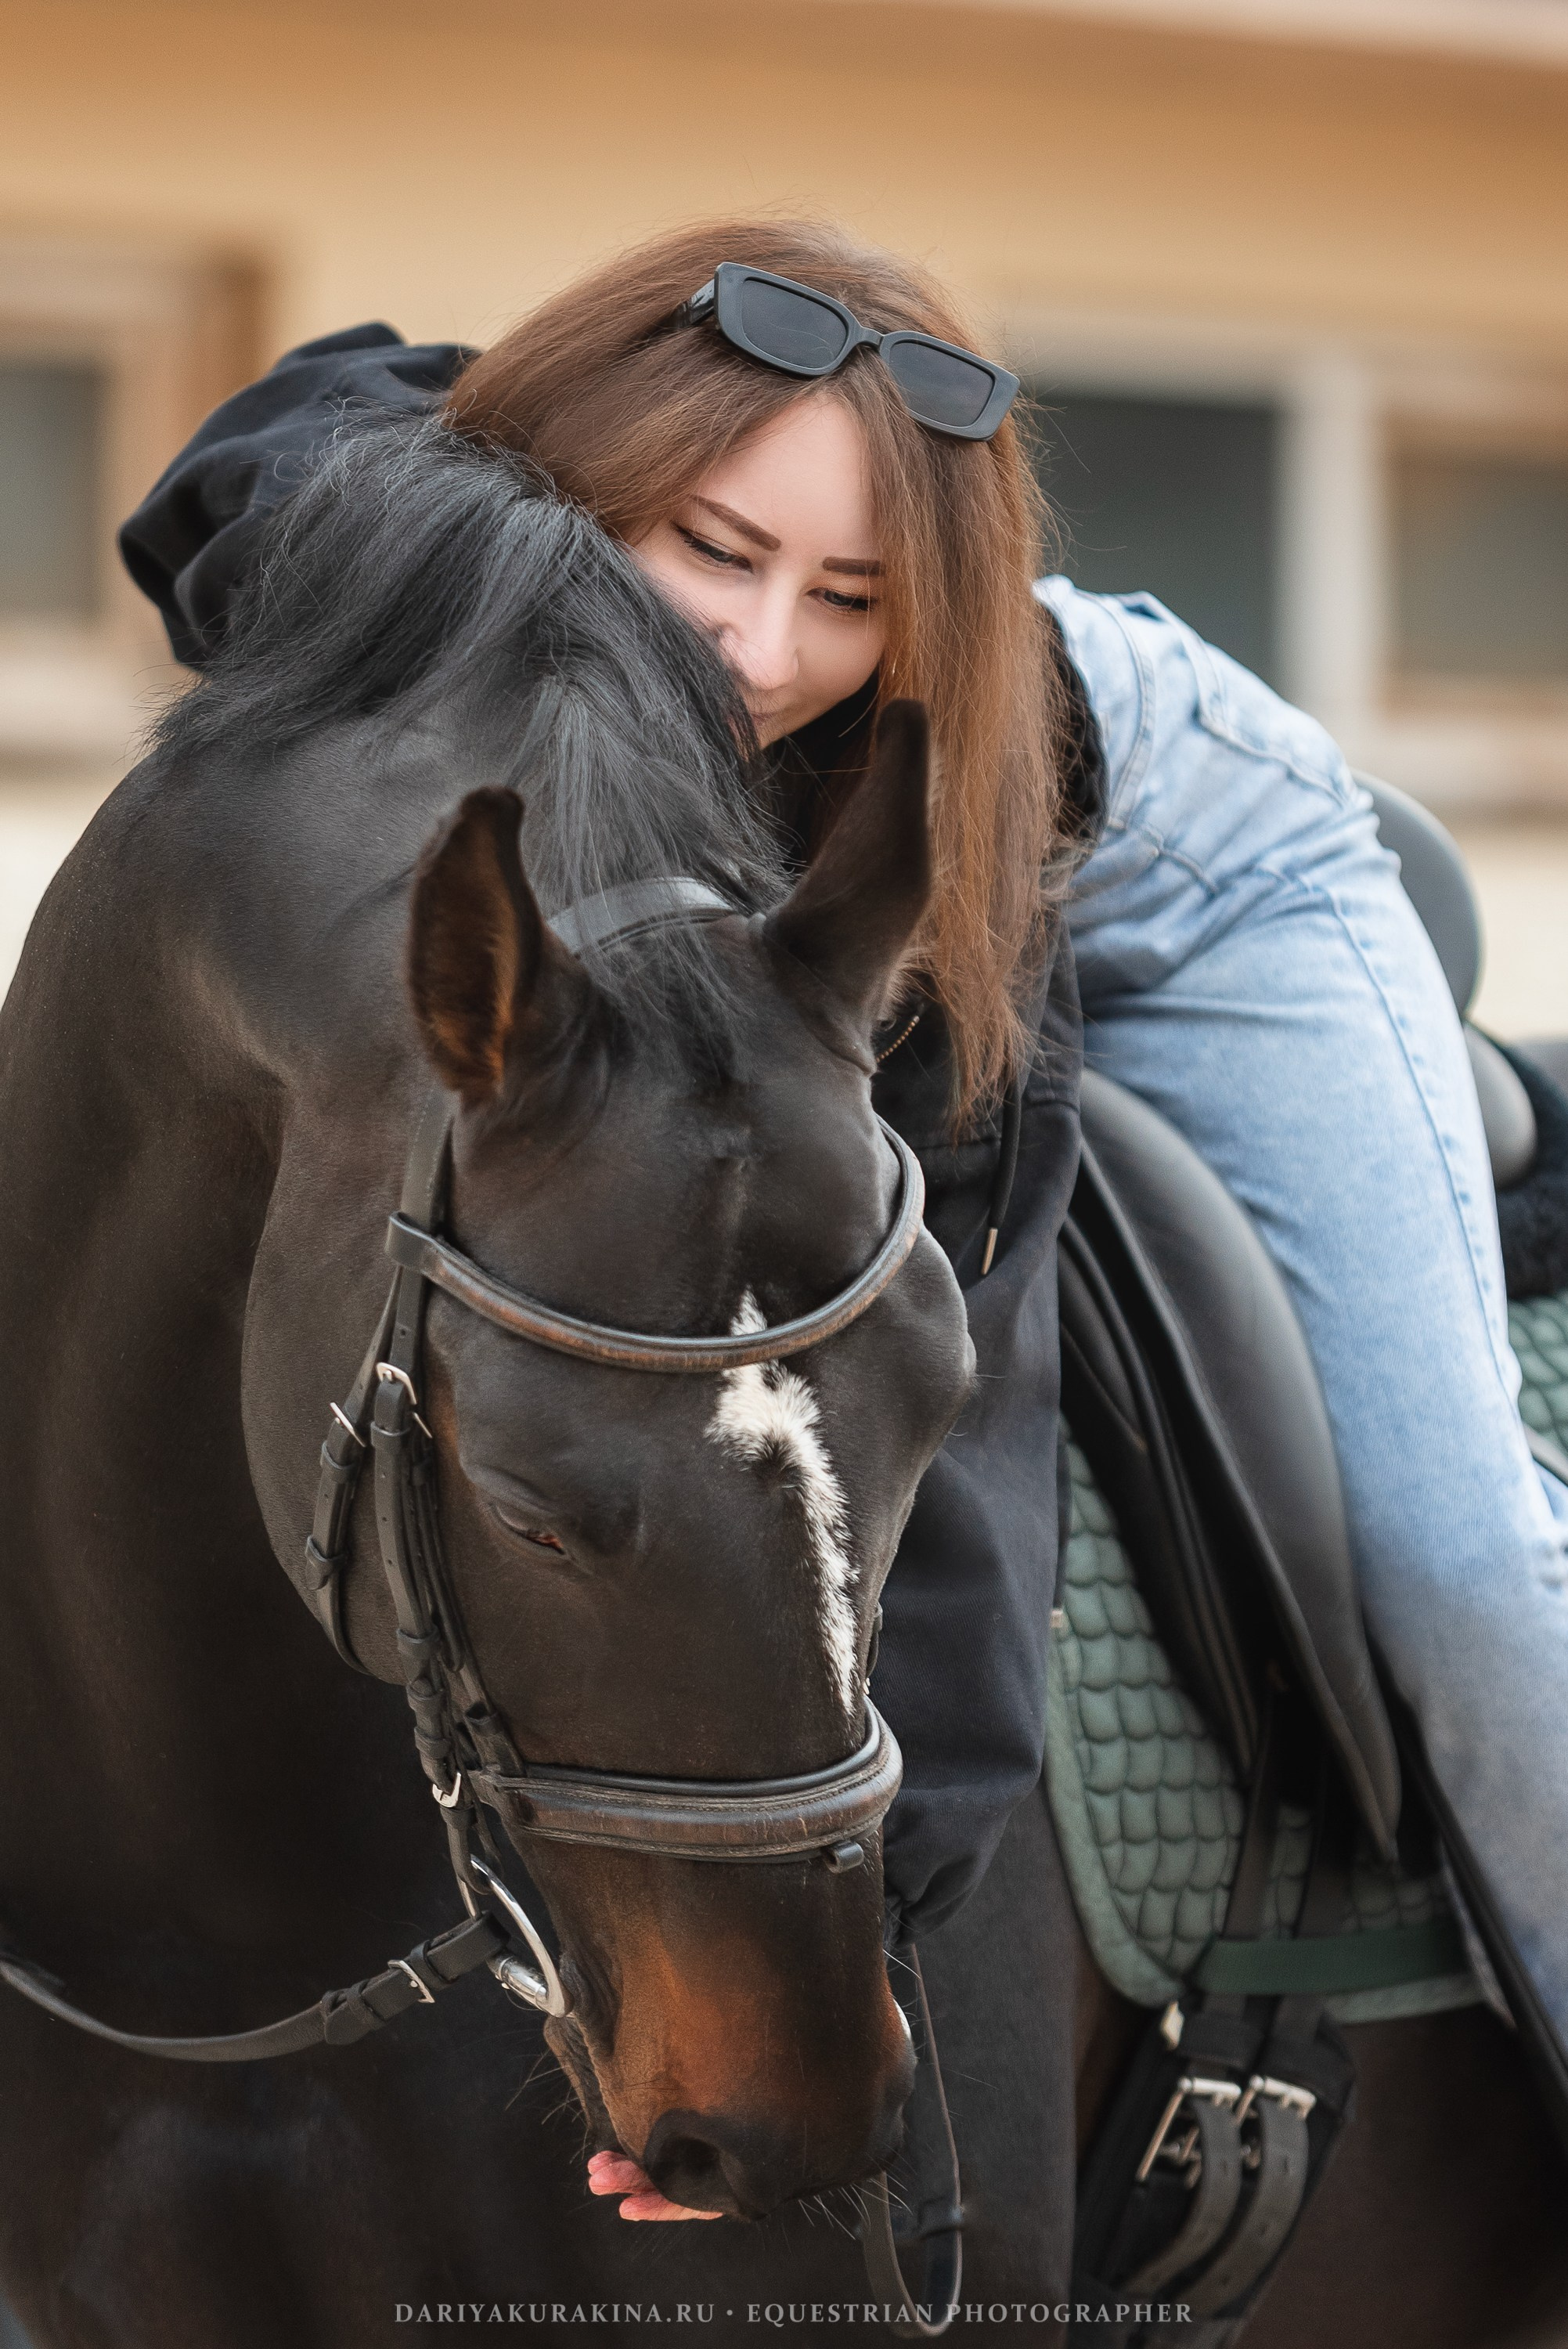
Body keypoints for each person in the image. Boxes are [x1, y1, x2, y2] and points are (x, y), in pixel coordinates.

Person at [119, 219, 1568, 2220]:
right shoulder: (462, 527)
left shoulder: (920, 779)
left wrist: (877, 1918)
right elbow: (217, 524)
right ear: (566, 488)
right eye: (713, 551)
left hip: (1179, 854)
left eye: (848, 598)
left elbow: (951, 1402)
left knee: (1461, 1555)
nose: (767, 651)